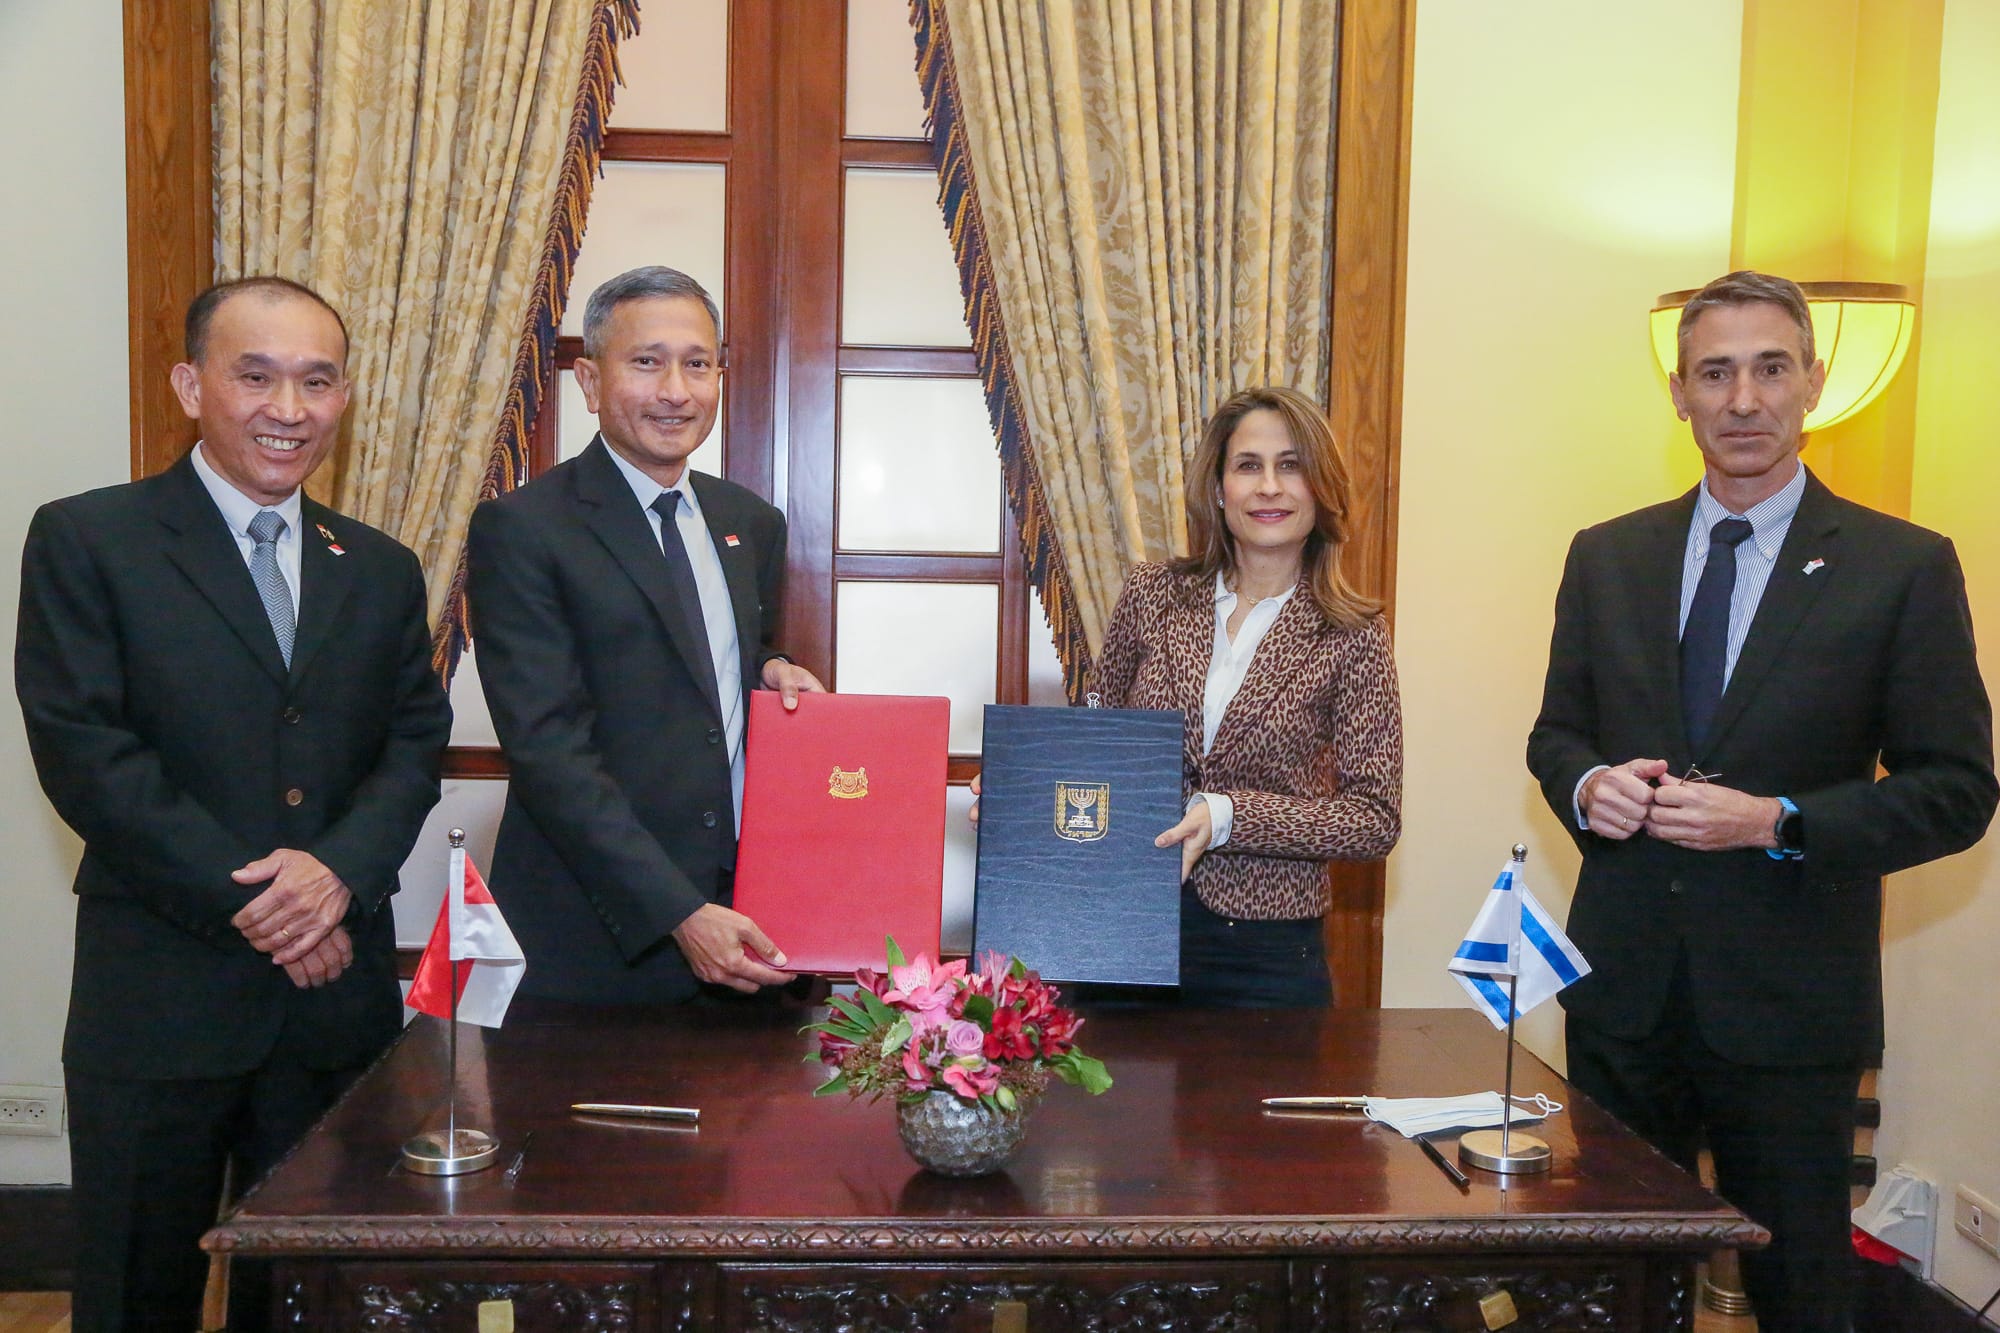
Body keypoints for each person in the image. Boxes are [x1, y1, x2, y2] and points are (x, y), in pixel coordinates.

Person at [1527, 270, 1996, 1333]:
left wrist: (1776, 820)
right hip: (1622, 999)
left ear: (1811, 384)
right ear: (1678, 395)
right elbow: (1555, 733)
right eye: (1714, 372)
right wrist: (1587, 784)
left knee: (1798, 1295)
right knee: (1608, 1289)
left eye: (1769, 368)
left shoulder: (1900, 566)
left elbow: (1956, 790)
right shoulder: (1606, 556)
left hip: (1788, 1011)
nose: (1742, 398)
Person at [15, 276, 451, 1332]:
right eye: (254, 376)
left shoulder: (381, 568)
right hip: (161, 993)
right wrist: (263, 903)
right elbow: (87, 754)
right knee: (134, 1290)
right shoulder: (90, 540)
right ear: (189, 384)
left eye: (315, 381)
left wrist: (334, 876)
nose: (286, 409)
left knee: (315, 1294)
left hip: (330, 1008)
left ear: (344, 397)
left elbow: (412, 741)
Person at [466, 265, 825, 1005]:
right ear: (591, 383)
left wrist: (773, 667)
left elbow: (710, 655)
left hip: (749, 921)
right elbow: (548, 748)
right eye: (646, 362)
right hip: (599, 936)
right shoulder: (525, 528)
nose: (676, 391)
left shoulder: (748, 523)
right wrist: (678, 911)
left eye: (698, 364)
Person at [1090, 384, 1402, 1007]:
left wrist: (1228, 816)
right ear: (1218, 488)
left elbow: (1374, 820)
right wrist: (1027, 786)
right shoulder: (1153, 593)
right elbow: (1096, 746)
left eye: (1291, 467)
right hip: (1122, 926)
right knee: (1105, 1106)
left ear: (1322, 489)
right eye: (1248, 466)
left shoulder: (1353, 631)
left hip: (1266, 956)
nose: (1268, 487)